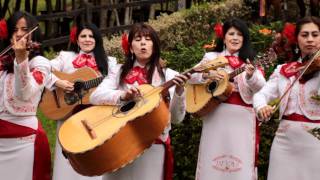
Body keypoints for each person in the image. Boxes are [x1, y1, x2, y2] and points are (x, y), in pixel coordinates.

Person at [89, 23, 190, 180]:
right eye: (138, 39)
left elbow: (177, 118)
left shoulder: (170, 75)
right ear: (130, 48)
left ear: (154, 47)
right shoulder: (118, 71)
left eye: (148, 39)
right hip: (120, 142)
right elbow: (95, 97)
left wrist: (179, 91)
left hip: (153, 144)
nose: (143, 42)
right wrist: (123, 96)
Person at [189, 18, 266, 180]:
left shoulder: (250, 61)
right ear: (224, 38)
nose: (235, 38)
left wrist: (251, 76)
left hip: (242, 117)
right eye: (231, 33)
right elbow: (190, 76)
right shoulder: (211, 57)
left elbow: (261, 87)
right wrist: (206, 74)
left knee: (240, 158)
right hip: (215, 113)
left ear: (244, 39)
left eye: (239, 34)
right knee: (212, 155)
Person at [46, 23, 117, 180]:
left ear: (97, 39)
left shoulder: (109, 62)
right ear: (76, 40)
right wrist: (58, 82)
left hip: (95, 118)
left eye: (91, 36)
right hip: (67, 114)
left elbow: (114, 86)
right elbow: (42, 69)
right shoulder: (65, 57)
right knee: (67, 162)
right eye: (83, 36)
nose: (87, 39)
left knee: (93, 160)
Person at [253, 16, 320, 180]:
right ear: (296, 39)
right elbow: (260, 95)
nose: (310, 39)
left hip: (316, 143)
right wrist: (261, 107)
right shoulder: (283, 70)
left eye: (315, 34)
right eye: (304, 35)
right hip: (284, 143)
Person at [0, 11, 51, 180]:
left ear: (33, 33)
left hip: (23, 142)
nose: (20, 34)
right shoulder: (2, 62)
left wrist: (21, 60)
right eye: (15, 29)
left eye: (24, 29)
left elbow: (24, 93)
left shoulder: (40, 64)